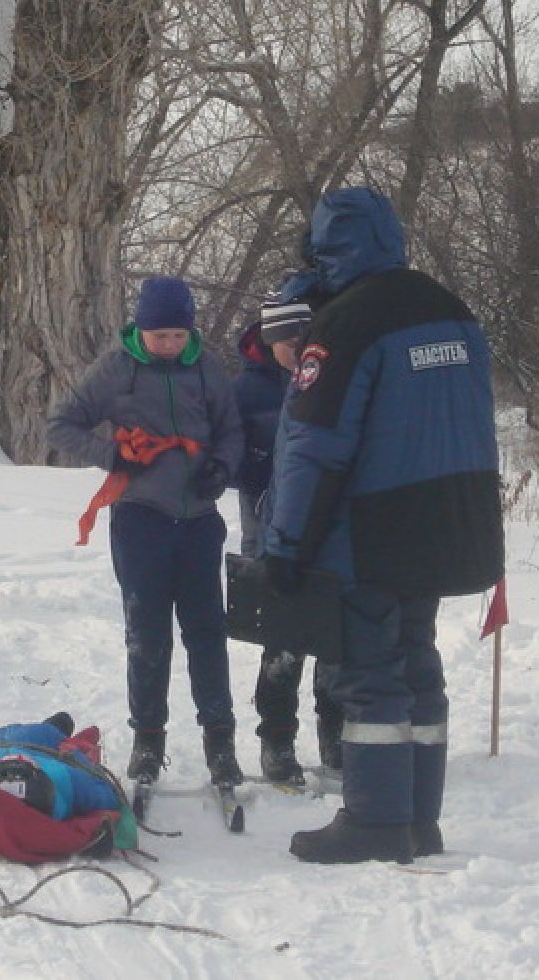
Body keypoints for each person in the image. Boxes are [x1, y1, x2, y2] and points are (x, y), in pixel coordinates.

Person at [262, 188, 503, 864]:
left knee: (368, 673)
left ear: (325, 249)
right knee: (418, 664)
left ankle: (373, 822)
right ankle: (418, 820)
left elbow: (313, 444)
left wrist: (285, 547)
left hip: (370, 526)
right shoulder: (451, 310)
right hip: (449, 517)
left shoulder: (344, 325)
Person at [47, 275, 246, 788]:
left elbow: (231, 427)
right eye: (161, 337)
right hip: (141, 518)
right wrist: (110, 454)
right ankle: (148, 739)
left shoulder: (206, 367)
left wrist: (222, 466)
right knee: (147, 635)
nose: (170, 345)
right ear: (141, 329)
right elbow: (61, 424)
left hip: (199, 519)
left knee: (207, 633)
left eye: (179, 336)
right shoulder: (116, 369)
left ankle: (219, 738)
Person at [232, 283, 342, 785]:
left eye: (304, 340)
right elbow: (225, 448)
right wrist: (253, 467)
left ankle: (335, 735)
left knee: (333, 633)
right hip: (266, 520)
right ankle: (276, 740)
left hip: (325, 520)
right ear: (269, 339)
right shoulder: (249, 387)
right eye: (287, 342)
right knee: (282, 638)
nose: (295, 351)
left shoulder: (328, 376)